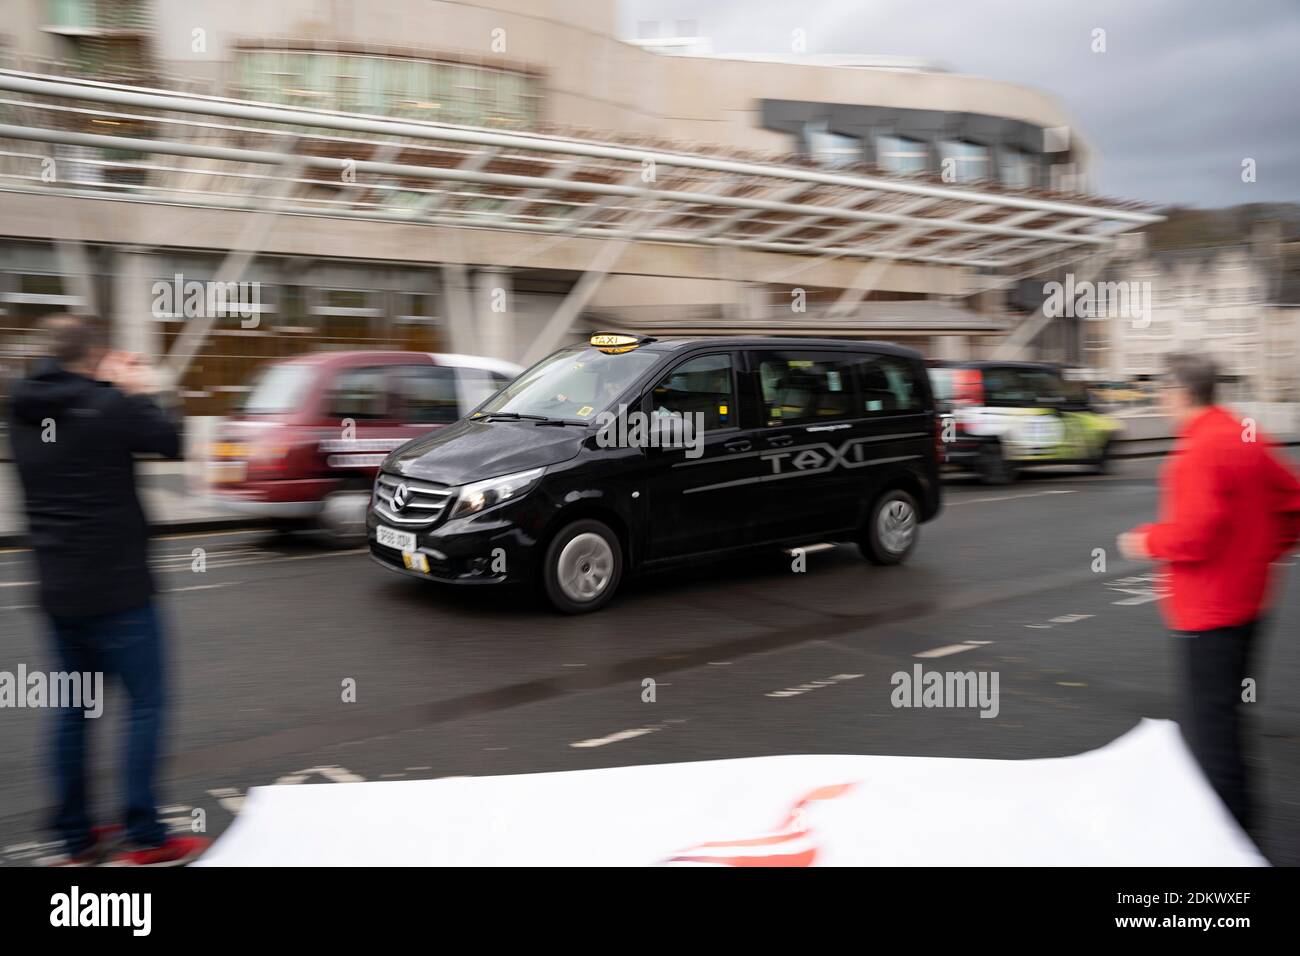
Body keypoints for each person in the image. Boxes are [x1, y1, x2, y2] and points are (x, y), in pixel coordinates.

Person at [8, 313, 210, 865]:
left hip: (57, 590)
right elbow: (171, 443)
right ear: (96, 355)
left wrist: (106, 385)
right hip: (120, 591)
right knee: (145, 707)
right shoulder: (112, 406)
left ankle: (75, 840)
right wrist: (142, 390)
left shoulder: (22, 407)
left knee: (73, 711)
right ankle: (146, 837)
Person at [1118, 352, 1300, 832]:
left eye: (1161, 389)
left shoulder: (1197, 450)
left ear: (1179, 392)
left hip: (1208, 614)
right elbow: (1294, 504)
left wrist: (1146, 541)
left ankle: (1228, 843)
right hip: (1250, 604)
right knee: (1228, 722)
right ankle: (1237, 829)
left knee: (1210, 732)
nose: (1159, 398)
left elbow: (1195, 535)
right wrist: (1260, 553)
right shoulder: (1247, 434)